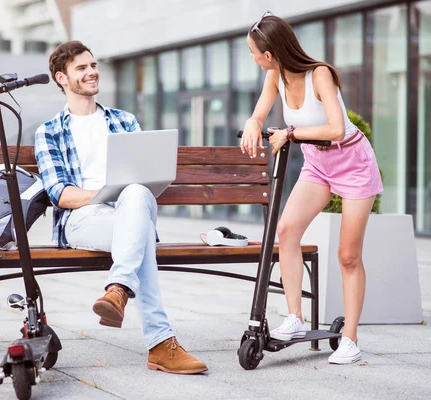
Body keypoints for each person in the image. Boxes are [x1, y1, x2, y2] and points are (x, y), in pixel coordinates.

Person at [34, 41, 207, 375]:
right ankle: (159, 344)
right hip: (82, 220)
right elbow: (59, 194)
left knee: (138, 193)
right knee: (138, 231)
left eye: (93, 65)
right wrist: (104, 193)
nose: (92, 72)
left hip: (132, 209)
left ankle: (119, 289)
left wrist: (126, 193)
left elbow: (145, 179)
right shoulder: (50, 132)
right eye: (81, 68)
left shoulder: (124, 121)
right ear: (61, 78)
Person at [240, 12, 383, 365]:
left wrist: (289, 133)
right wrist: (252, 122)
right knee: (287, 231)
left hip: (352, 162)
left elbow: (336, 129)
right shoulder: (275, 78)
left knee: (347, 256)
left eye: (253, 53)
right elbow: (260, 113)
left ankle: (349, 338)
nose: (253, 59)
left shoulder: (320, 74)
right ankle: (295, 317)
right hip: (318, 165)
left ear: (269, 53)